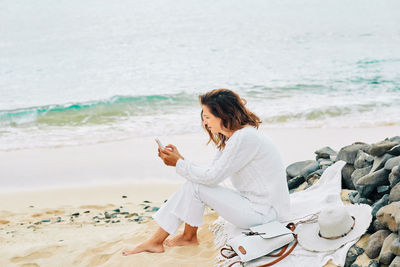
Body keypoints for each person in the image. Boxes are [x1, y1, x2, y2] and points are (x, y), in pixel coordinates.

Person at [122, 88, 290, 256]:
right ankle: (187, 237)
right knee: (195, 185)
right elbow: (210, 172)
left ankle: (158, 241)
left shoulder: (244, 138)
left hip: (264, 214)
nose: (204, 122)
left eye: (208, 116)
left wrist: (178, 164)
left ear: (223, 115)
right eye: (203, 116)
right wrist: (180, 160)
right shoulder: (238, 137)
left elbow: (211, 178)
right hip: (260, 207)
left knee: (197, 186)